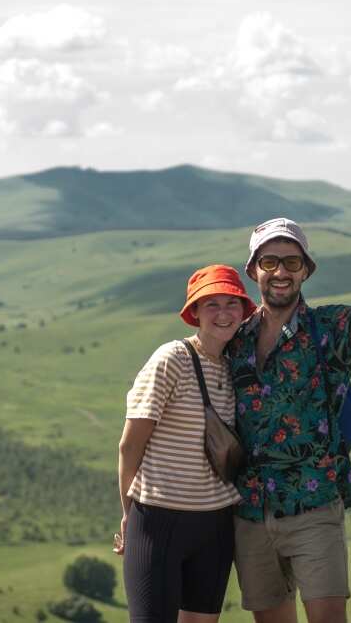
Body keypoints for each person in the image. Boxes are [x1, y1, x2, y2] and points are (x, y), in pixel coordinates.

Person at [227, 160, 351, 623]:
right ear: (253, 270)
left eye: (290, 262)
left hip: (314, 508)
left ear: (305, 271)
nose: (279, 272)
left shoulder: (329, 328)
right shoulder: (234, 338)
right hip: (250, 512)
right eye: (269, 262)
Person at [116, 264, 257, 623]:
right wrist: (128, 513)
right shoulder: (171, 359)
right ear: (194, 312)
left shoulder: (236, 365)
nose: (223, 314)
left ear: (244, 310)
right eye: (211, 304)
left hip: (217, 524)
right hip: (157, 520)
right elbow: (130, 446)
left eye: (232, 303)